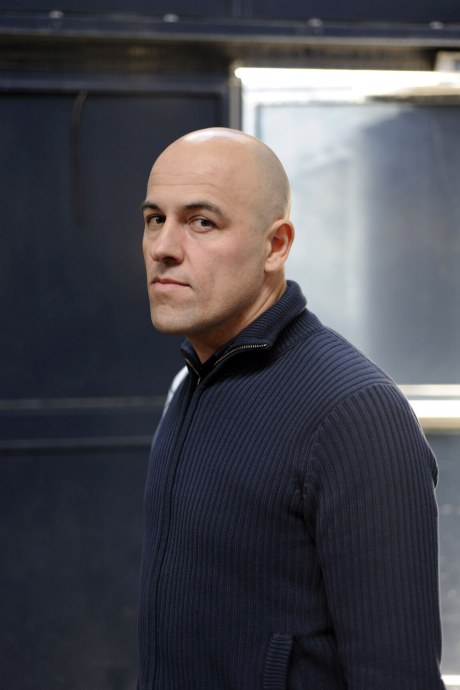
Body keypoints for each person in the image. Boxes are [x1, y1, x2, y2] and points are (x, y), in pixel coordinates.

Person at [137, 127, 445, 690]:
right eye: (156, 218)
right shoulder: (189, 385)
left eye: (201, 222)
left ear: (276, 246)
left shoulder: (356, 414)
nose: (164, 247)